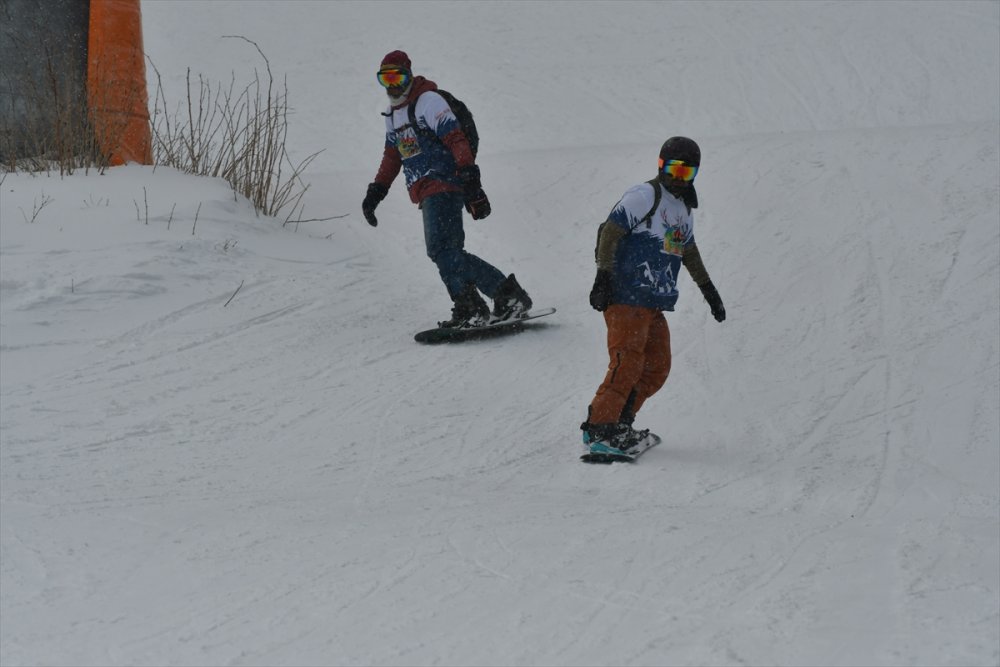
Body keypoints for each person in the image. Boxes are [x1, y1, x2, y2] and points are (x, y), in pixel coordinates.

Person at [362, 50, 532, 328]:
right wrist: (375, 193)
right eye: (385, 78)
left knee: (442, 250)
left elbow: (455, 137)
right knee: (447, 252)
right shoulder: (393, 115)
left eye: (397, 76)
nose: (392, 85)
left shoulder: (428, 101)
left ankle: (502, 297)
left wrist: (469, 176)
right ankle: (474, 306)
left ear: (409, 74)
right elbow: (392, 156)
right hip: (426, 188)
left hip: (445, 183)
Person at [581, 136, 726, 454]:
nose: (678, 178)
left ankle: (620, 422)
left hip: (653, 301)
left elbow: (688, 251)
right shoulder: (645, 196)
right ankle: (599, 428)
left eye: (687, 173)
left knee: (657, 366)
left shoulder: (683, 210)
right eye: (674, 169)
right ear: (661, 165)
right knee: (627, 362)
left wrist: (709, 291)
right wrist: (603, 276)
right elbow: (611, 231)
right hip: (625, 295)